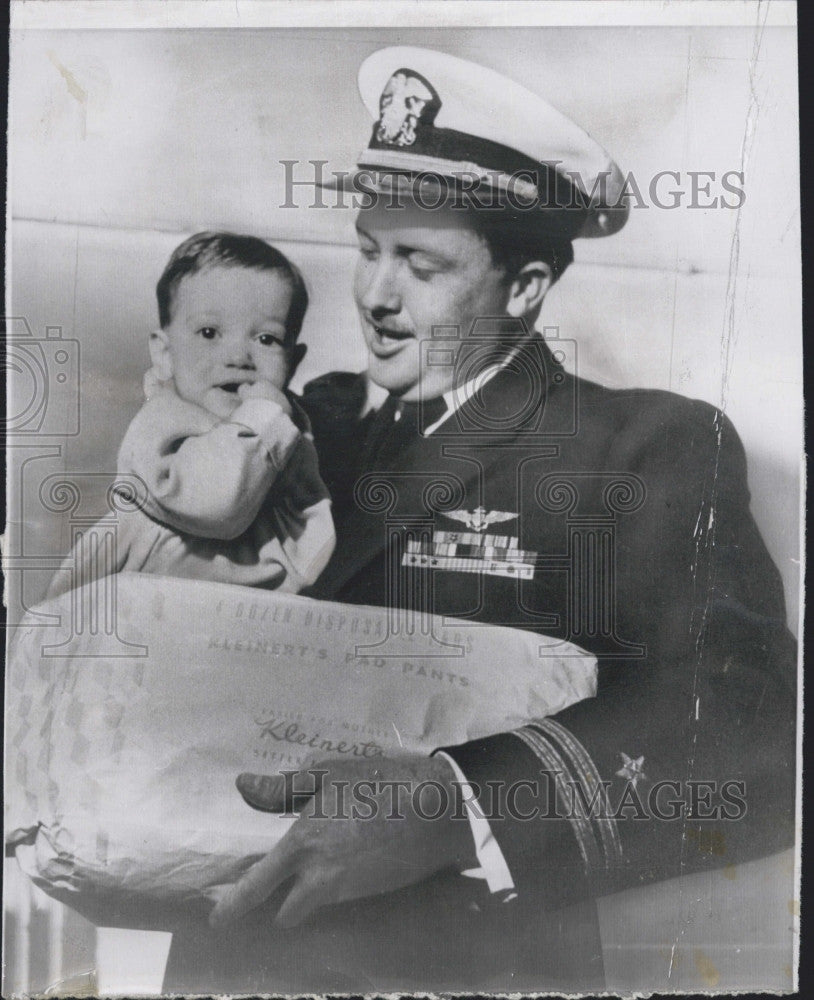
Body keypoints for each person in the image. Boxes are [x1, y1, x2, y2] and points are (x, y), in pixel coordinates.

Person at [163, 48, 797, 993]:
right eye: (369, 247)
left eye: (418, 263)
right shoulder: (299, 421)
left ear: (528, 285)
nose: (375, 297)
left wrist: (462, 802)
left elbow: (754, 731)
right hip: (227, 960)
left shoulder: (642, 450)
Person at [47, 231, 335, 598]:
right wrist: (263, 418)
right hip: (138, 602)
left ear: (293, 363)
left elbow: (312, 534)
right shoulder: (163, 425)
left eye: (266, 339)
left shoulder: (282, 427)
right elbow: (218, 506)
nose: (239, 358)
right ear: (165, 354)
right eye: (209, 333)